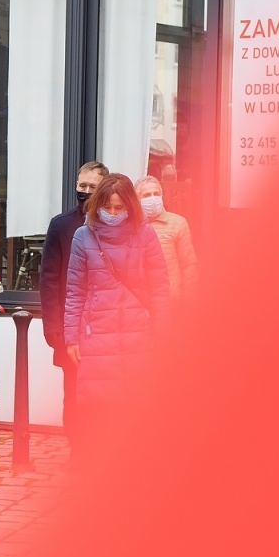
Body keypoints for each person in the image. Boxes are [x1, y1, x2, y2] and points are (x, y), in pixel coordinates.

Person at [62, 173, 170, 411]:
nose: (112, 213)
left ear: (129, 205)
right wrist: (71, 338)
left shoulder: (145, 233)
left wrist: (162, 330)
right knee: (99, 409)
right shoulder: (83, 236)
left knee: (138, 407)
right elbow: (75, 292)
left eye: (118, 207)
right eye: (106, 206)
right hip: (96, 333)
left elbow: (159, 286)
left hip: (139, 332)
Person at [39, 162, 107, 419]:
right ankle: (75, 441)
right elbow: (49, 280)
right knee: (74, 392)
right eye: (82, 185)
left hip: (105, 325)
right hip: (71, 327)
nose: (86, 191)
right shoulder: (61, 225)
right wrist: (53, 328)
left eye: (92, 187)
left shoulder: (116, 223)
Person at [135, 175, 199, 300]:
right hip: (140, 300)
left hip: (170, 298)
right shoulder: (130, 225)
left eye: (156, 194)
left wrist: (188, 298)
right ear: (137, 200)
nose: (153, 198)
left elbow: (188, 264)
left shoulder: (178, 223)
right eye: (146, 195)